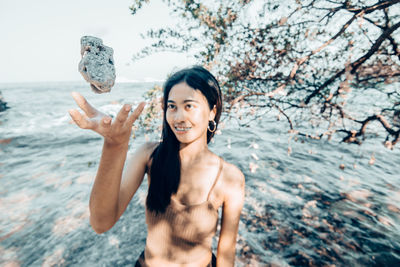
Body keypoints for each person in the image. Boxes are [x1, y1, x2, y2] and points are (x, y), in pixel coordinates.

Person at [69, 66, 245, 267]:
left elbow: (226, 251)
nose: (178, 117)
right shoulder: (149, 155)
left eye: (189, 106)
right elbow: (101, 223)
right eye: (172, 106)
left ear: (212, 111)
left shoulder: (230, 177)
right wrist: (114, 145)